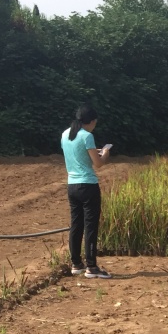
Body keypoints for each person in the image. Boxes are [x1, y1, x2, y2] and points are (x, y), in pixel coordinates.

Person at [61, 104, 112, 279]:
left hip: (72, 186)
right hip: (87, 185)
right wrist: (104, 153)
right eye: (94, 122)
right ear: (90, 121)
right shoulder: (87, 136)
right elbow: (98, 163)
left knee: (76, 225)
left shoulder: (65, 134)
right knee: (91, 226)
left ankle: (76, 264)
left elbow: (77, 154)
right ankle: (92, 267)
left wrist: (94, 152)